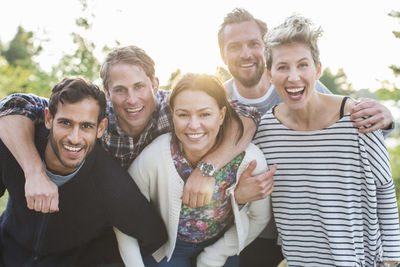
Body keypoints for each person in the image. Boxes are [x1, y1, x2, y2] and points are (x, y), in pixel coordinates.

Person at [217, 8, 397, 267]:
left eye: (303, 65)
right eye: (282, 67)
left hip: (353, 254)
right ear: (271, 73)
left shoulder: (352, 115)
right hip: (277, 242)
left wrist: (391, 260)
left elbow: (384, 190)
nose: (294, 76)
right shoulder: (232, 113)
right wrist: (237, 194)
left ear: (317, 69)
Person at [0, 45, 261, 217]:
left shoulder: (177, 110)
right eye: (121, 90)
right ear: (107, 93)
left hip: (162, 217)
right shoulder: (97, 118)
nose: (132, 100)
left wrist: (207, 168)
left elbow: (246, 115)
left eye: (139, 87)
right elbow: (15, 105)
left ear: (155, 85)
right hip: (98, 215)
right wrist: (33, 172)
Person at [0, 77, 167, 266]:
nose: (74, 138)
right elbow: (10, 107)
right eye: (65, 123)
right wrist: (33, 173)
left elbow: (153, 236)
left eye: (86, 126)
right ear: (48, 119)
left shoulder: (109, 181)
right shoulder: (16, 148)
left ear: (100, 128)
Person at [115, 73, 272, 267]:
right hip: (168, 249)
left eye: (205, 114)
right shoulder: (154, 158)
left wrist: (218, 253)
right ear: (172, 114)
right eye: (183, 115)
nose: (194, 125)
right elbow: (123, 219)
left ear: (222, 115)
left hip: (222, 243)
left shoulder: (249, 159)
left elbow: (260, 217)